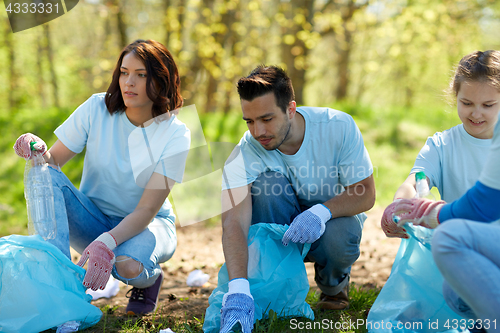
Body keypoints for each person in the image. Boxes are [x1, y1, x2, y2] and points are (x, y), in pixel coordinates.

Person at [13, 39, 191, 316]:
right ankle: (60, 285)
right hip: (92, 218)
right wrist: (37, 148)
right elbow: (52, 163)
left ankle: (150, 280)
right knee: (43, 173)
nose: (128, 82)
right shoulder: (97, 108)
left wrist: (107, 243)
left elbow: (146, 209)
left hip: (147, 225)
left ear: (161, 79)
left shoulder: (176, 133)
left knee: (128, 266)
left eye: (141, 75)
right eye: (124, 72)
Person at [219, 66, 375, 332]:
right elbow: (233, 222)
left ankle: (333, 286)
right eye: (250, 121)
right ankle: (280, 284)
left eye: (267, 119)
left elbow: (365, 192)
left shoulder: (337, 126)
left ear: (290, 109)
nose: (258, 131)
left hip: (330, 221)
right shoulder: (246, 152)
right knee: (267, 186)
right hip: (280, 220)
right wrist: (238, 287)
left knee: (343, 233)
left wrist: (320, 213)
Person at [389, 50, 500, 329]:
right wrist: (399, 205)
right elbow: (417, 180)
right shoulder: (442, 145)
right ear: (455, 98)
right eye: (467, 103)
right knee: (454, 292)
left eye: (488, 105)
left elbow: (485, 204)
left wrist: (435, 213)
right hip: (467, 252)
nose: (476, 113)